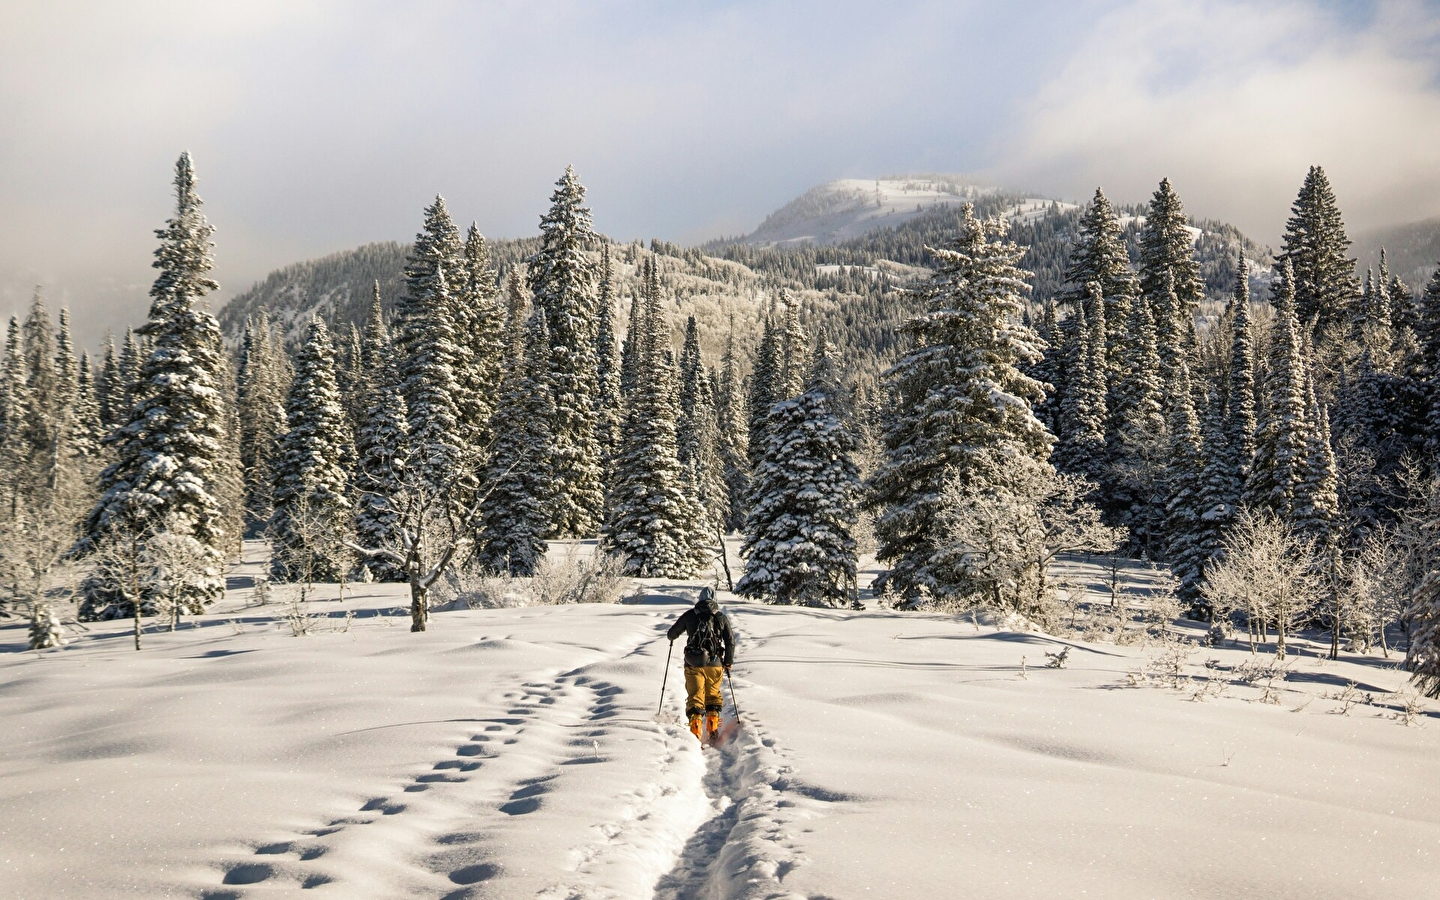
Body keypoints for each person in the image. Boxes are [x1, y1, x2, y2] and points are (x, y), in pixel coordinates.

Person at [666, 587, 735, 741]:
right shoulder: (720, 617)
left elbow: (671, 634)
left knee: (695, 697)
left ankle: (695, 732)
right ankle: (712, 727)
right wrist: (728, 662)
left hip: (693, 663)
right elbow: (730, 641)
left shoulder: (690, 615)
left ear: (700, 599)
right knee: (712, 696)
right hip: (715, 664)